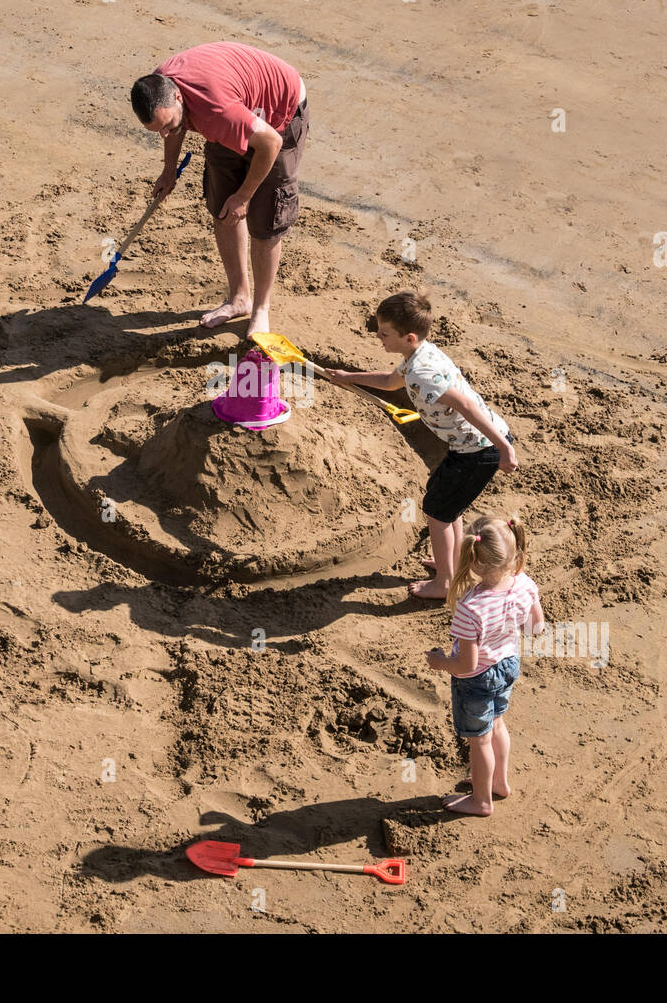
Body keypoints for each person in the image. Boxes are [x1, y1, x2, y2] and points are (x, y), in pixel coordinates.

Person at [325, 291, 517, 598]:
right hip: (468, 447)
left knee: (437, 514)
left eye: (384, 333)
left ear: (409, 336)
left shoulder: (422, 375)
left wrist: (504, 448)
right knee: (447, 508)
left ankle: (444, 583)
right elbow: (390, 381)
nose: (378, 336)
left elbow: (467, 407)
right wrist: (350, 377)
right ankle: (450, 564)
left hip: (479, 450)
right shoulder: (419, 355)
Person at [130, 41, 308, 336]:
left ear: (177, 96)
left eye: (167, 126)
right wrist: (169, 168)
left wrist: (244, 196)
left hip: (279, 115)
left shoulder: (217, 111)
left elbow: (270, 144)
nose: (164, 134)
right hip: (235, 107)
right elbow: (176, 126)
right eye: (157, 130)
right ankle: (240, 298)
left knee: (265, 220)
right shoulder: (161, 87)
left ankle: (261, 308)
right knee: (223, 207)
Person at [424, 515, 544, 816]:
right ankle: (498, 784)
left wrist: (440, 663)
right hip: (509, 665)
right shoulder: (525, 584)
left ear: (473, 562)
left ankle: (481, 801)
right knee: (498, 724)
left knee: (480, 741)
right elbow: (536, 628)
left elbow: (467, 663)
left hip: (477, 679)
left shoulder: (470, 608)